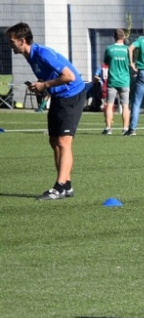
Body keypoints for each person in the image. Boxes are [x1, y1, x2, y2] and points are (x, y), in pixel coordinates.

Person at [6, 22, 85, 200]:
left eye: (11, 41)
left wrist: (45, 85)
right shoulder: (30, 56)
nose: (10, 44)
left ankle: (59, 187)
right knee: (54, 140)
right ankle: (67, 185)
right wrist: (40, 86)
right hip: (58, 96)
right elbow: (49, 76)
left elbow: (69, 76)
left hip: (72, 95)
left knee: (64, 142)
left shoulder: (43, 54)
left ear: (22, 40)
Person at [101, 28, 131, 135]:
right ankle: (125, 128)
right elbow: (131, 62)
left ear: (114, 36)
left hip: (112, 80)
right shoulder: (128, 49)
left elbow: (106, 62)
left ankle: (108, 128)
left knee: (109, 104)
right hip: (124, 80)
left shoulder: (109, 49)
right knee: (125, 105)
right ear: (124, 37)